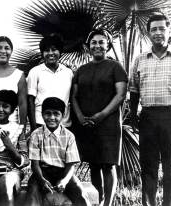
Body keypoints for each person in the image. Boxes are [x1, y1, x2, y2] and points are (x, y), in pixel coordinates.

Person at [129, 13, 171, 206]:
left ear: (168, 31)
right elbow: (133, 89)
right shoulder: (140, 59)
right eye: (153, 30)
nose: (158, 33)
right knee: (148, 168)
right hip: (148, 117)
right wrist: (133, 115)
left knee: (170, 168)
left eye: (161, 29)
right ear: (148, 33)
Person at [71, 29, 128, 206]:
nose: (97, 45)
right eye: (93, 42)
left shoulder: (115, 67)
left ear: (108, 45)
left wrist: (102, 115)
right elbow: (73, 96)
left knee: (108, 164)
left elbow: (120, 95)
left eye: (101, 42)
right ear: (88, 47)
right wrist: (80, 116)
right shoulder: (81, 70)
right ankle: (98, 199)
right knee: (94, 163)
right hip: (87, 124)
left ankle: (107, 204)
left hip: (108, 123)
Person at [26, 97, 90, 206]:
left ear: (63, 115)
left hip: (63, 172)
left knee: (81, 196)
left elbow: (71, 165)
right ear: (42, 114)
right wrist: (42, 180)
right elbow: (35, 164)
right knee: (32, 196)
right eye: (48, 113)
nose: (52, 117)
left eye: (56, 114)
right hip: (41, 173)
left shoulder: (69, 136)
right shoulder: (36, 135)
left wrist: (64, 181)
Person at [27, 34, 73, 130]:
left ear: (60, 51)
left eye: (54, 49)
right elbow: (30, 100)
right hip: (41, 123)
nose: (51, 53)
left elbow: (72, 99)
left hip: (64, 125)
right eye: (47, 50)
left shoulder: (68, 72)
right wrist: (33, 127)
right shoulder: (35, 71)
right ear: (42, 53)